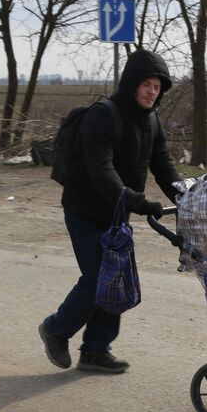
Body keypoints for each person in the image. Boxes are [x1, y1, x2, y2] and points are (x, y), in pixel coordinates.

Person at [38, 49, 180, 374]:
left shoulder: (152, 121)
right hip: (84, 210)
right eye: (145, 84)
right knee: (97, 278)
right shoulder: (103, 115)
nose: (151, 92)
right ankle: (56, 329)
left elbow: (164, 165)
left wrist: (185, 193)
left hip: (117, 214)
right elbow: (101, 171)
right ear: (131, 83)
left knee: (115, 278)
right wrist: (138, 202)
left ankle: (96, 350)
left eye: (157, 87)